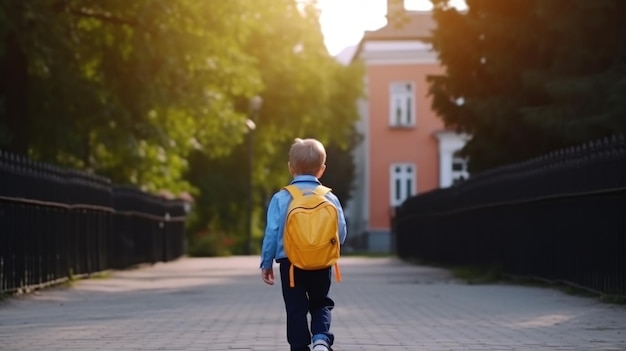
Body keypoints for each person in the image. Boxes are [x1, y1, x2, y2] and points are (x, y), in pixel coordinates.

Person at [260, 138, 347, 351]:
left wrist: (266, 262)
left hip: (291, 264)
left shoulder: (281, 198)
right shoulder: (330, 198)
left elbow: (271, 233)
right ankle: (321, 338)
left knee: (296, 308)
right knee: (321, 303)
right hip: (321, 262)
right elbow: (341, 232)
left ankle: (299, 347)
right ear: (322, 169)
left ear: (291, 168)